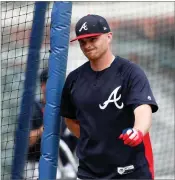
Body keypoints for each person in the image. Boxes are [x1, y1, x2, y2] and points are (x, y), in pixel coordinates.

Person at [60, 14, 159, 179]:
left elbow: (143, 108)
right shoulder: (74, 79)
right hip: (89, 172)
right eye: (83, 42)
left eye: (93, 39)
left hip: (130, 171)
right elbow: (69, 119)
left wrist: (138, 131)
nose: (88, 45)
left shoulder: (130, 72)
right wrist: (94, 139)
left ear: (109, 36)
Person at [26, 68, 77, 179]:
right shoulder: (33, 108)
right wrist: (43, 129)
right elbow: (26, 141)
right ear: (43, 86)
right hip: (36, 167)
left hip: (66, 166)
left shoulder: (68, 109)